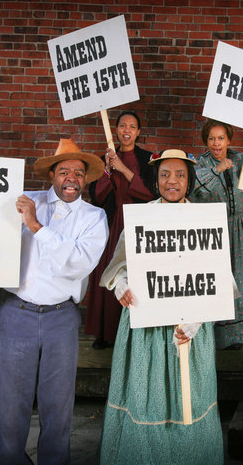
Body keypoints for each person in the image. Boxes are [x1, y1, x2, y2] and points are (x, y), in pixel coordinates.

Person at [0, 138, 109, 465]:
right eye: (64, 172)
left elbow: (77, 263)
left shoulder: (93, 217)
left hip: (62, 318)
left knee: (57, 406)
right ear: (52, 176)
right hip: (17, 315)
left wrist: (35, 225)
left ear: (86, 179)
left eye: (78, 172)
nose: (71, 178)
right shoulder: (23, 202)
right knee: (8, 405)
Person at [98, 149, 224, 464]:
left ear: (190, 180)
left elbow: (218, 278)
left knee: (189, 398)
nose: (172, 180)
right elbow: (118, 267)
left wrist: (196, 320)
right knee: (146, 394)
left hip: (189, 328)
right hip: (148, 325)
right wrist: (122, 285)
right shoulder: (142, 218)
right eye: (165, 174)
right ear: (156, 179)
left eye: (180, 174)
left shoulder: (205, 220)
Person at [191, 119, 243, 350]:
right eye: (212, 138)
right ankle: (211, 335)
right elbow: (197, 191)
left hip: (240, 225)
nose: (217, 143)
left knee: (240, 277)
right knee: (215, 279)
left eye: (221, 138)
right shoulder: (199, 162)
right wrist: (217, 169)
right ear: (206, 140)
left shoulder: (239, 158)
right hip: (212, 227)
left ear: (229, 140)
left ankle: (236, 336)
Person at [84, 111, 154, 349]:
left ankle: (135, 332)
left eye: (132, 127)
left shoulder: (148, 159)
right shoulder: (105, 159)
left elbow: (151, 194)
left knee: (136, 277)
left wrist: (123, 168)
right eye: (122, 126)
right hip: (114, 225)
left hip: (139, 225)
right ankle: (106, 334)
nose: (127, 130)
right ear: (115, 130)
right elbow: (97, 196)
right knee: (111, 275)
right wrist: (107, 168)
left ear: (138, 132)